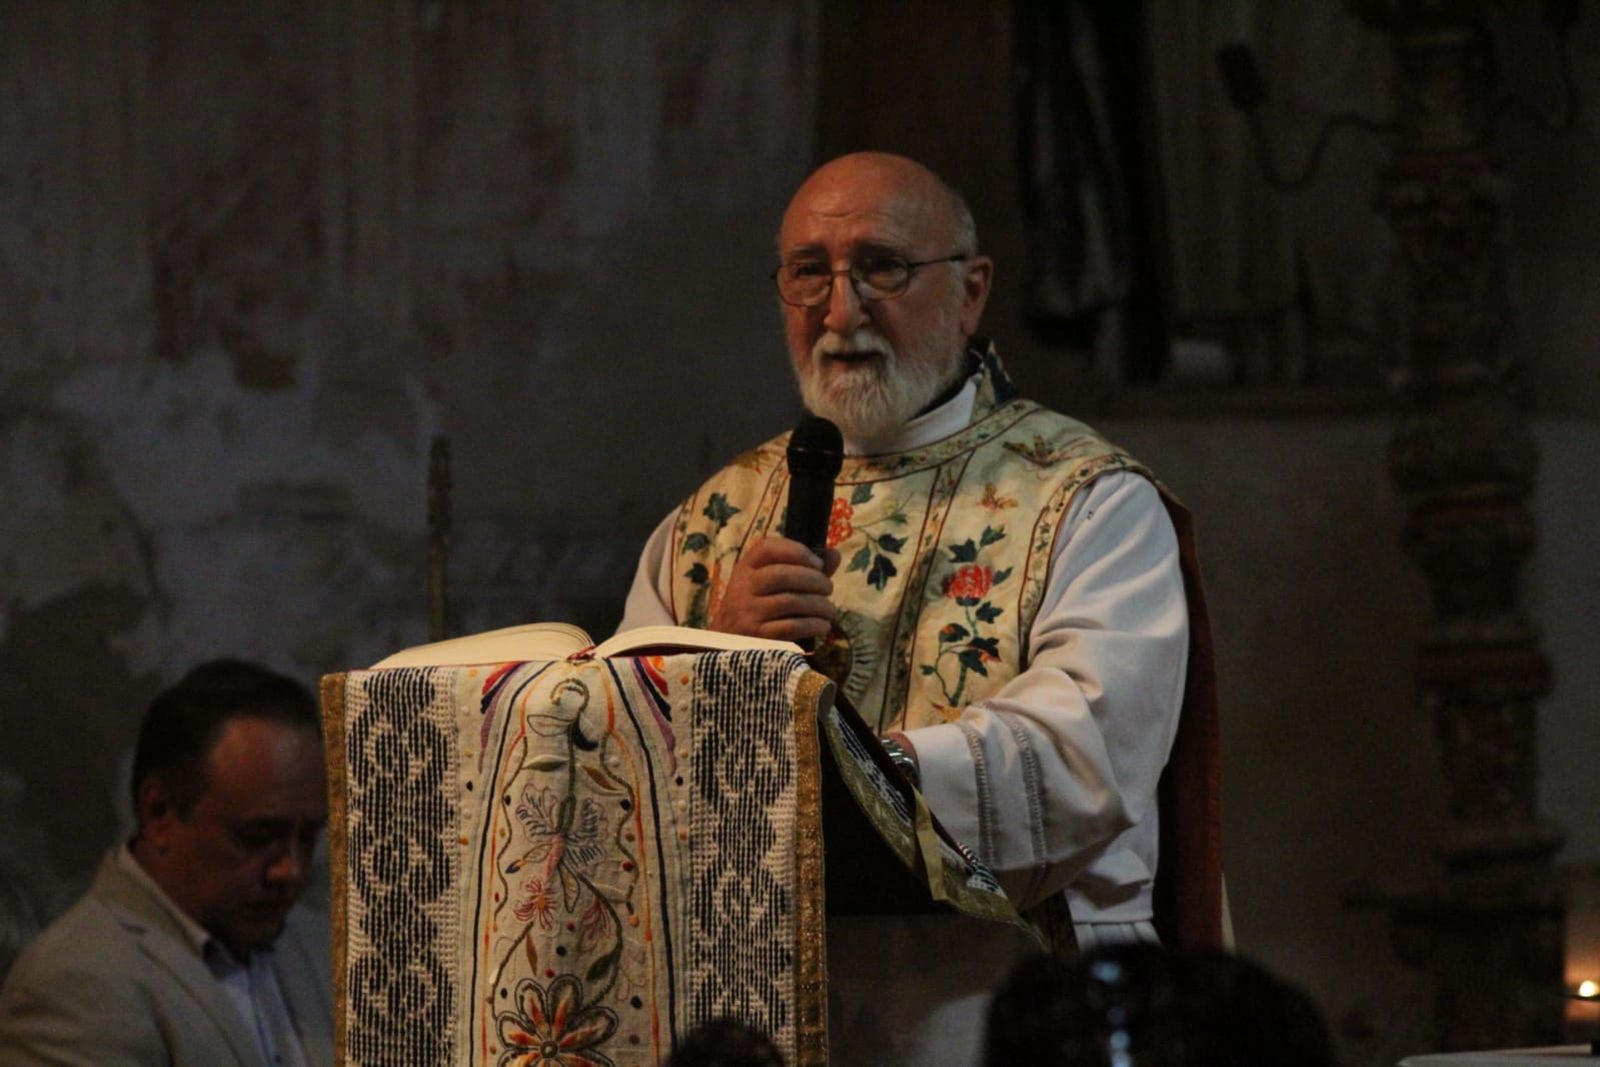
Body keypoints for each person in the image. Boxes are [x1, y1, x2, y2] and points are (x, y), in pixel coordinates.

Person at [617, 151, 1215, 1063]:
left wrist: (863, 778)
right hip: (775, 1011)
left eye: (882, 267)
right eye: (809, 272)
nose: (840, 310)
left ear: (972, 292)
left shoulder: (1087, 501)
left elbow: (1087, 750)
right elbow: (628, 759)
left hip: (1007, 1007)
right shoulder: (709, 523)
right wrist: (711, 660)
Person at [0, 659, 333, 1067]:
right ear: (159, 814)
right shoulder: (72, 981)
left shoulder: (316, 943)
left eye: (308, 836)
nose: (291, 870)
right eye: (257, 838)